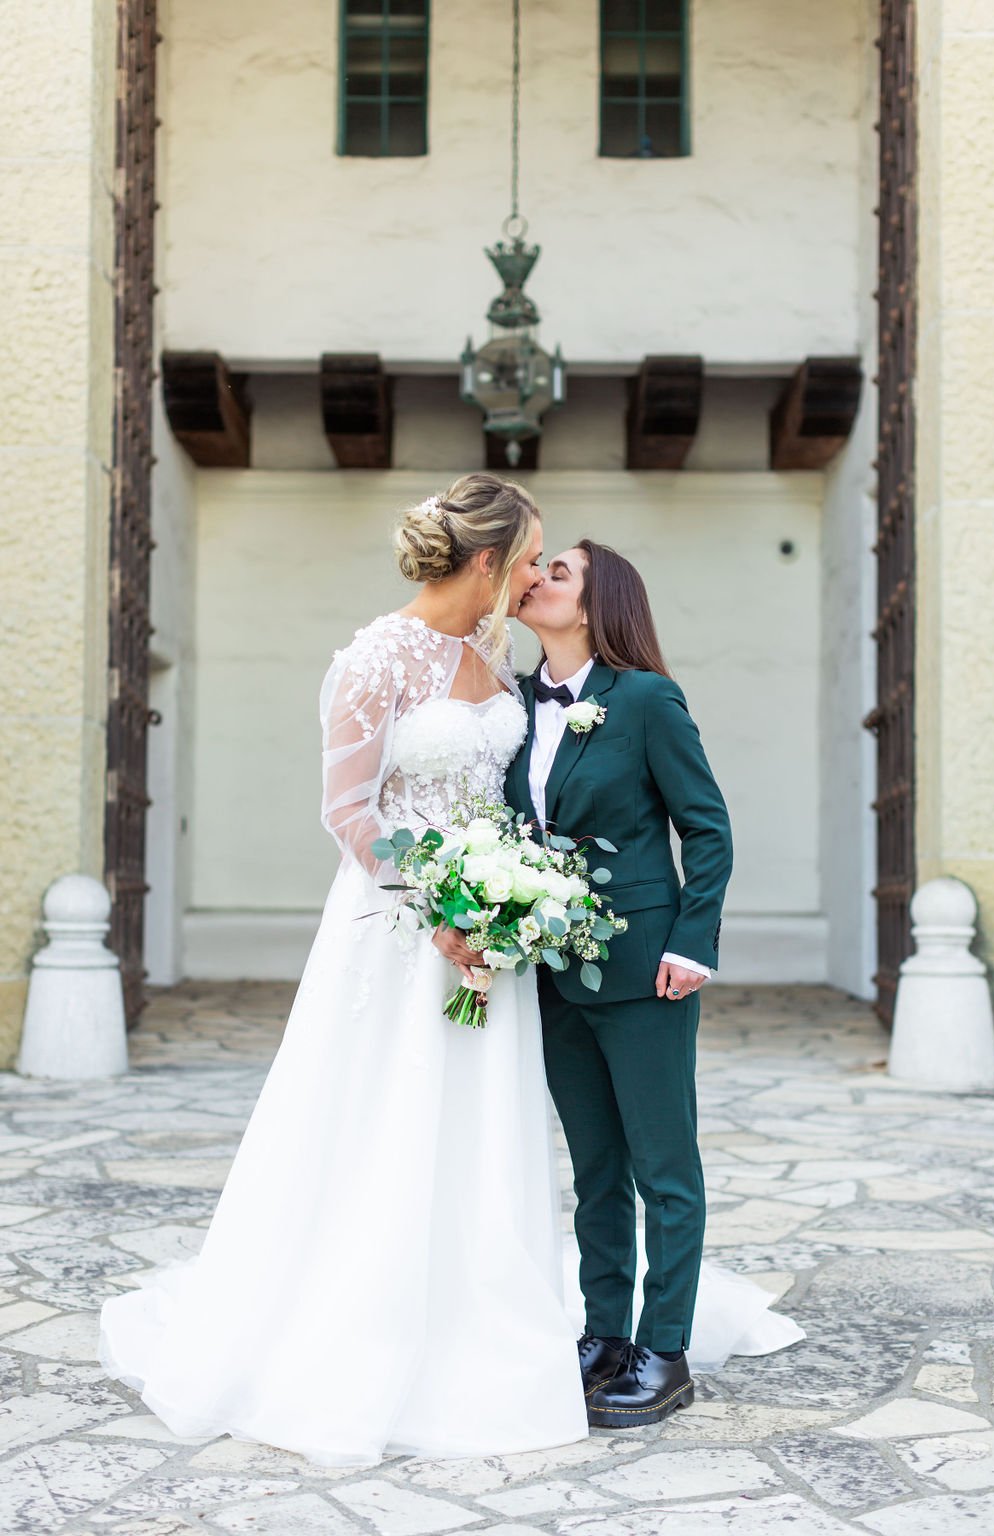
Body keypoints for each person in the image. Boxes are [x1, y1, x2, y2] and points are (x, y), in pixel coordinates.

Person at [98, 473, 591, 1465]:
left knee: (480, 1114)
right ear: (487, 561)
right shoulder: (378, 655)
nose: (540, 571)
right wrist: (443, 905)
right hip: (399, 929)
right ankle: (363, 1326)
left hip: (488, 931)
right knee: (386, 1106)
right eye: (530, 553)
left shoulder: (490, 652)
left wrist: (507, 899)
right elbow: (349, 812)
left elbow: (496, 791)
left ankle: (478, 1306)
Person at [509, 538, 766, 1427]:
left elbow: (708, 827)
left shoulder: (648, 700)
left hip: (647, 969)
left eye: (557, 572)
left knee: (665, 1169)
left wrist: (694, 943)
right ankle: (606, 1336)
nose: (534, 578)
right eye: (535, 569)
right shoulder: (513, 704)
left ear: (592, 604)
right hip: (551, 972)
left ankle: (666, 1351)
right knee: (596, 1171)